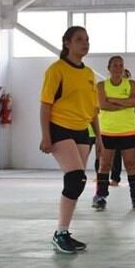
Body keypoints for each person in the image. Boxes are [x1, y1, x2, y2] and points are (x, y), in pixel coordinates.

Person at [40, 26, 103, 254]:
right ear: (67, 43)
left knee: (78, 182)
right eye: (79, 40)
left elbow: (94, 110)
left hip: (82, 131)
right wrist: (46, 136)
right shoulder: (56, 70)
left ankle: (64, 232)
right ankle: (60, 233)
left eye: (87, 39)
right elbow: (46, 105)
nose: (85, 43)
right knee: (75, 179)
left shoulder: (88, 74)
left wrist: (100, 140)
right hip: (59, 127)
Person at [93, 56, 135, 211]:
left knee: (130, 164)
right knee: (105, 164)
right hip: (108, 131)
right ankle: (101, 196)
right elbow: (103, 105)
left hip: (128, 130)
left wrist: (114, 100)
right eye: (115, 65)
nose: (118, 68)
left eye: (121, 65)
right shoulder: (101, 86)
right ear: (109, 68)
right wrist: (124, 103)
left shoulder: (132, 83)